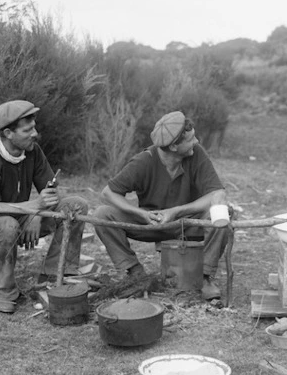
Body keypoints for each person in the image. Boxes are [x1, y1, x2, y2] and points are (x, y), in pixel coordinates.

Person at [0, 100, 89, 313]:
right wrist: (32, 208)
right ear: (9, 133)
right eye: (27, 130)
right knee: (7, 225)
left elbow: (51, 195)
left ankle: (53, 274)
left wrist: (36, 214)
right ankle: (4, 293)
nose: (35, 133)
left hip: (18, 215)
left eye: (34, 127)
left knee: (75, 206)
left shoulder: (32, 151)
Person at [93, 111, 228, 300]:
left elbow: (216, 193)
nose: (196, 142)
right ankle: (134, 272)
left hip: (187, 222)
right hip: (152, 223)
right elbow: (108, 193)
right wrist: (141, 214)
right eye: (190, 139)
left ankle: (203, 277)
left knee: (221, 212)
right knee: (102, 215)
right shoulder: (143, 161)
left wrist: (177, 211)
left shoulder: (196, 154)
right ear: (173, 146)